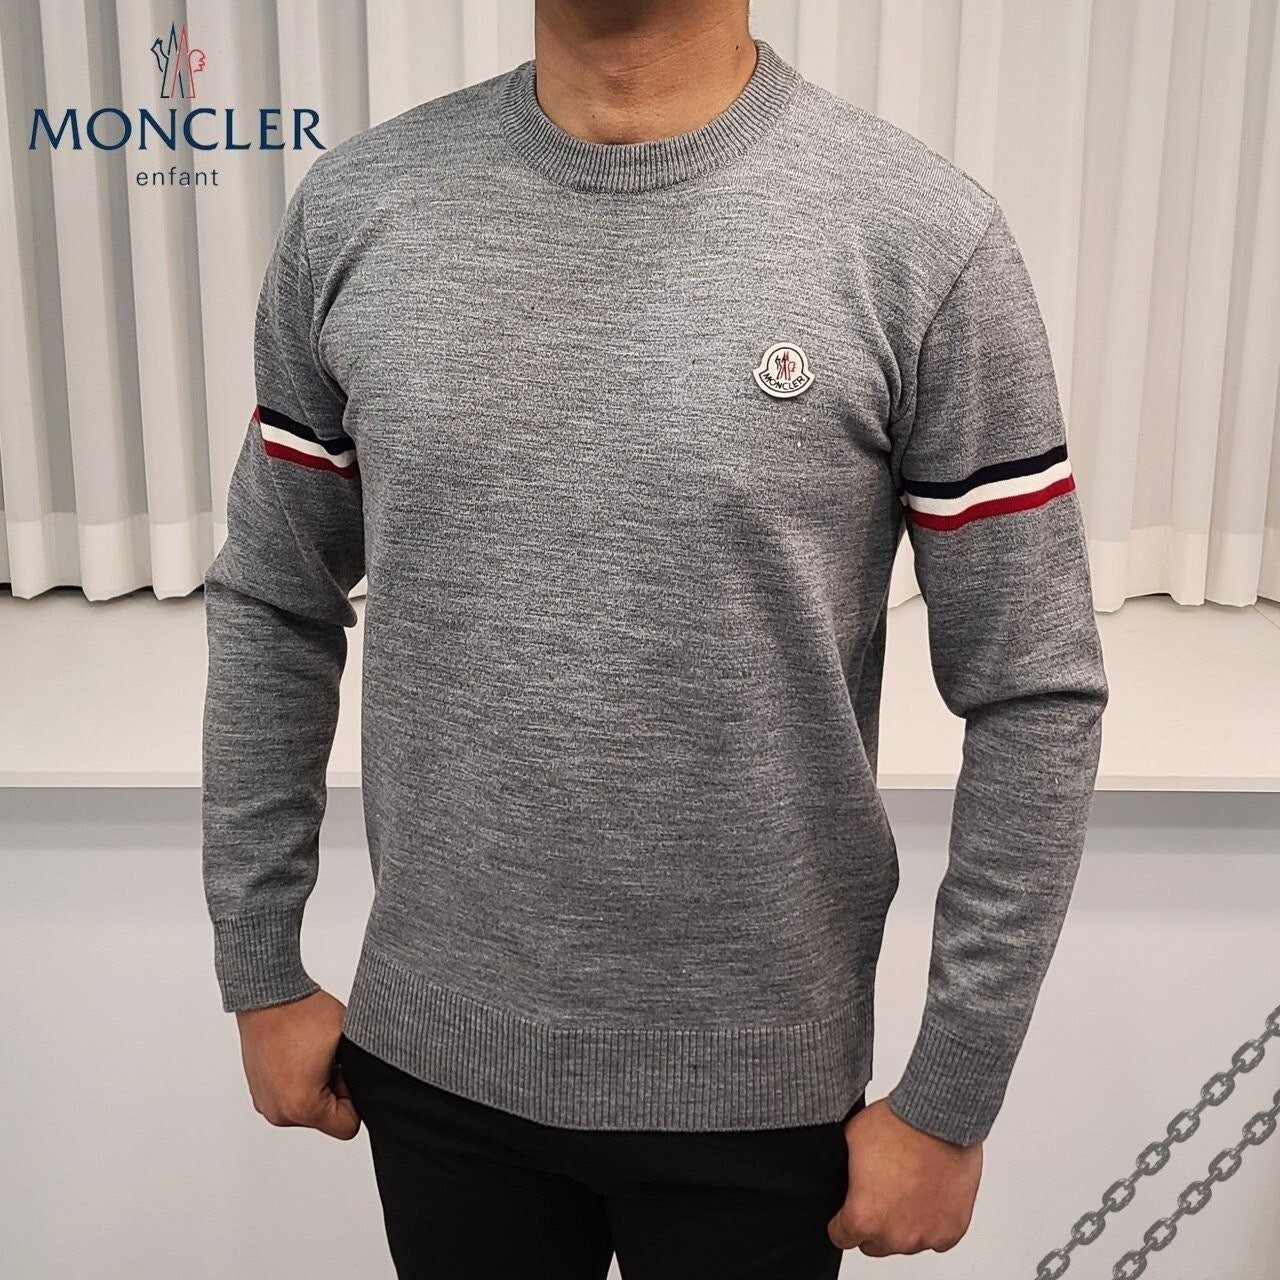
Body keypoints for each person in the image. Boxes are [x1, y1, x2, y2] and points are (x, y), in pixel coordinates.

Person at [200, 1, 1109, 1275]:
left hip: (764, 1099)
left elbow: (1033, 686)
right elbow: (273, 595)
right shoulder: (358, 210)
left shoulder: (916, 236)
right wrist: (259, 961)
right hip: (437, 1066)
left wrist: (948, 1096)